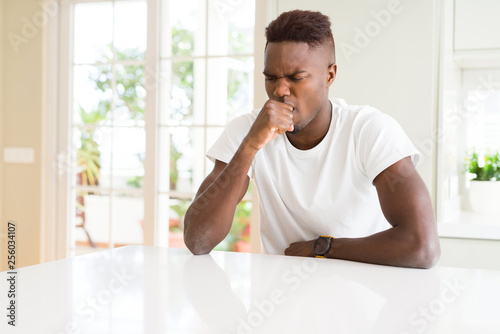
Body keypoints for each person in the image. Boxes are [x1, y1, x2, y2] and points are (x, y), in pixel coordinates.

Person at [183, 9, 440, 268]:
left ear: (329, 75)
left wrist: (323, 248)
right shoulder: (247, 130)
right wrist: (250, 146)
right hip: (278, 300)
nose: (280, 90)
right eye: (270, 78)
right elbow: (198, 240)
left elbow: (422, 247)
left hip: (360, 298)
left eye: (296, 78)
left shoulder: (368, 130)